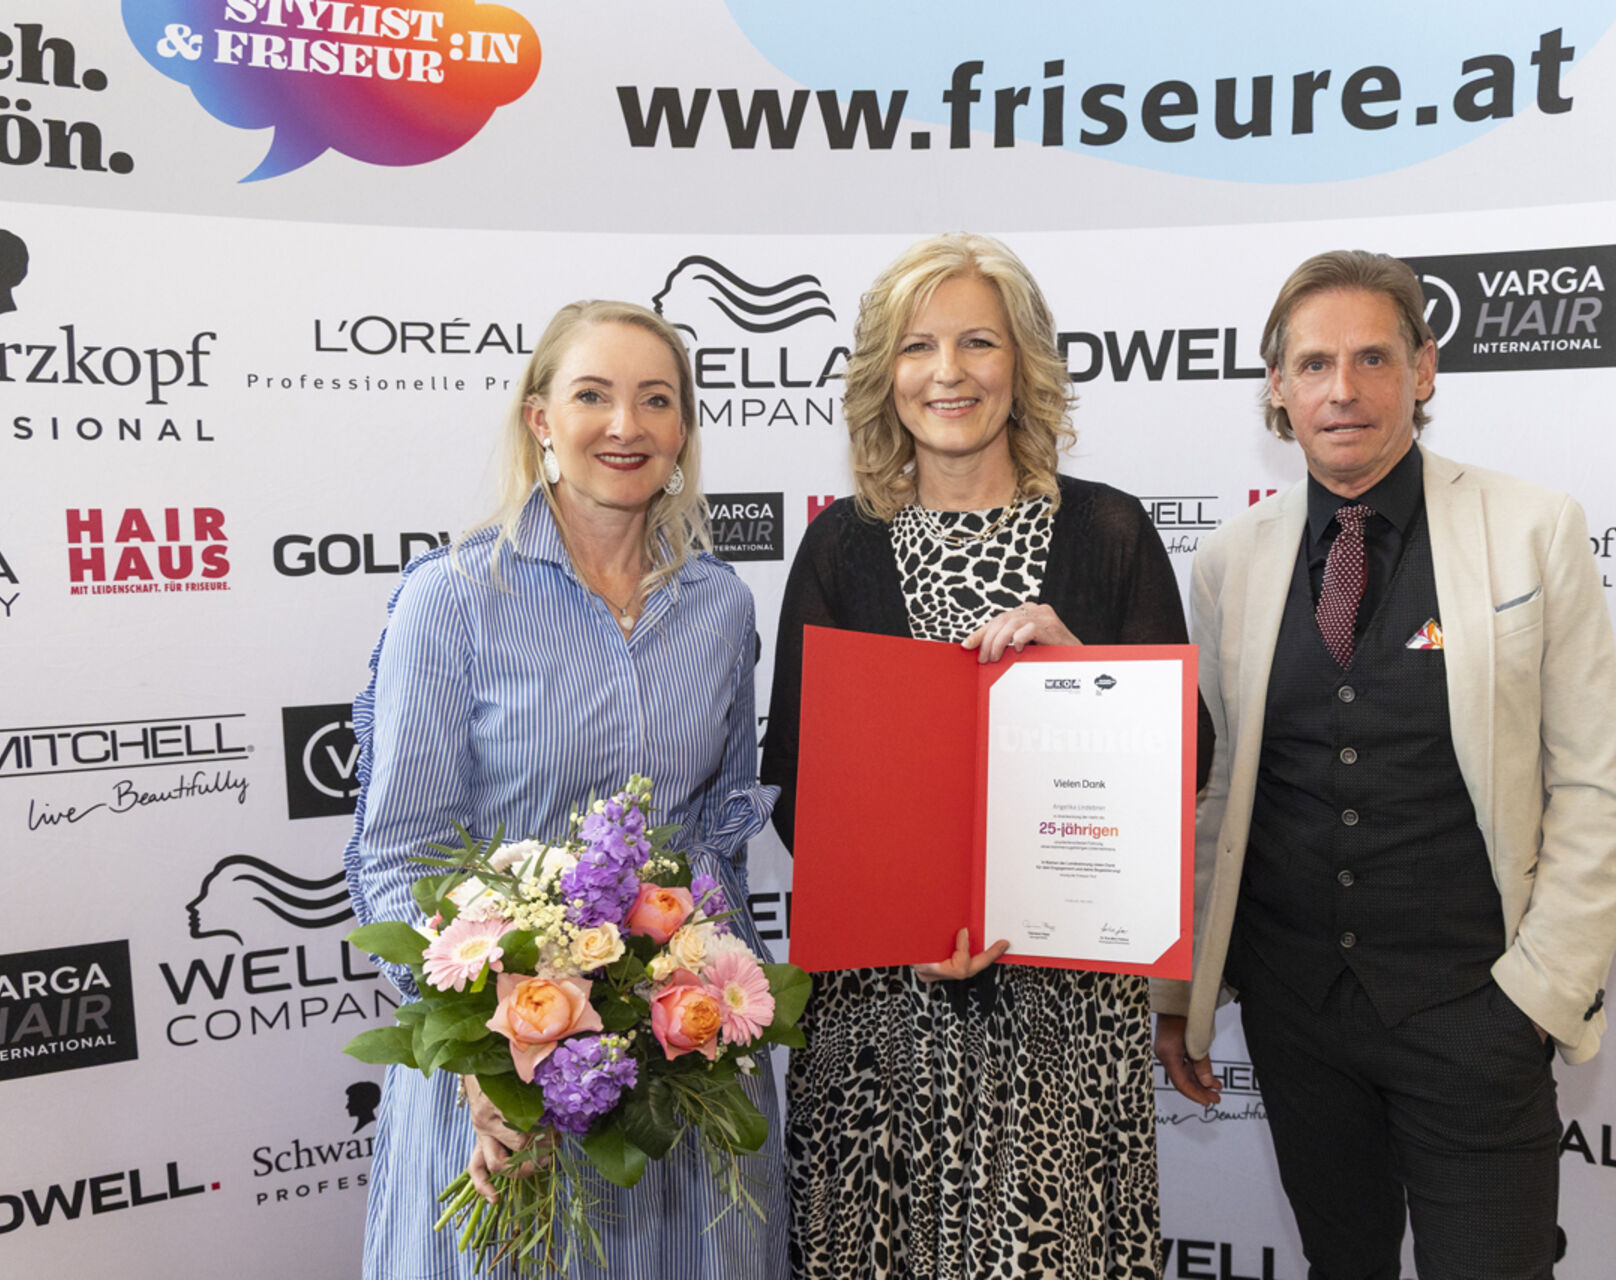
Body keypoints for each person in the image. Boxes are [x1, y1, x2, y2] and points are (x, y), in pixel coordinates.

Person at [1153, 250, 1616, 1280]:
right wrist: (1180, 988)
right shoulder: (1230, 559)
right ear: (1277, 389)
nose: (1343, 389)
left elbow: (1601, 787)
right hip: (1298, 1016)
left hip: (1477, 1016)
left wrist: (1534, 997)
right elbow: (1219, 792)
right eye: (1314, 364)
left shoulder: (1532, 528)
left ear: (1423, 369)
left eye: (1372, 358)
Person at [761, 232, 1205, 1279]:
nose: (948, 372)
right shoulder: (840, 546)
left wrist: (1084, 670)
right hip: (881, 1011)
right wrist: (909, 920)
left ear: (1025, 363)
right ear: (885, 374)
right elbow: (799, 784)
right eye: (918, 346)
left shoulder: (1108, 532)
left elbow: (1186, 762)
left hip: (1064, 1013)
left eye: (978, 342)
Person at [341, 300, 788, 1279]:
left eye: (655, 400)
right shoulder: (453, 597)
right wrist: (482, 1054)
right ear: (540, 417)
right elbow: (401, 852)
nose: (626, 425)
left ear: (683, 429)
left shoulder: (721, 604)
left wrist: (712, 997)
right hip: (505, 1084)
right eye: (593, 395)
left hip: (681, 1084)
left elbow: (717, 839)